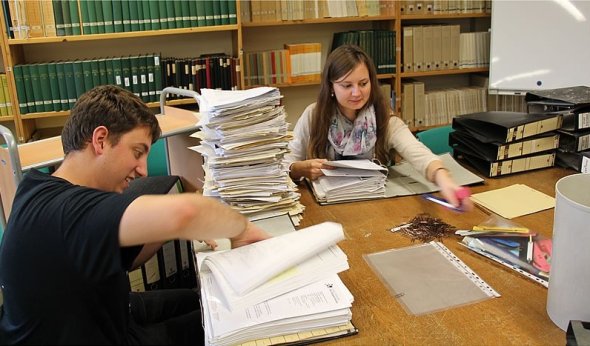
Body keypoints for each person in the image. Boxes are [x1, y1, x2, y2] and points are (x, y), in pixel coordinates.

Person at [0, 85, 270, 344]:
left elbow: (127, 256)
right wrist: (241, 229)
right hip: (97, 334)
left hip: (100, 314)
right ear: (101, 140)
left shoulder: (39, 187)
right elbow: (186, 212)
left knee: (204, 298)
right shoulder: (71, 211)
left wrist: (170, 230)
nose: (143, 170)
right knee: (230, 319)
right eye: (137, 152)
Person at [285, 44, 472, 209]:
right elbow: (287, 163)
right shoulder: (313, 115)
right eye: (346, 85)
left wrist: (444, 179)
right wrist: (300, 168)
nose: (356, 92)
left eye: (363, 83)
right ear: (331, 87)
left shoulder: (383, 118)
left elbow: (418, 153)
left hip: (375, 206)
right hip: (327, 207)